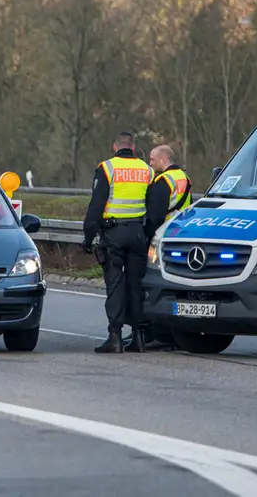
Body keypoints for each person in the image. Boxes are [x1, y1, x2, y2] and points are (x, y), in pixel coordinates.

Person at [82, 131, 154, 353]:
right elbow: (152, 206)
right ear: (133, 148)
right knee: (136, 285)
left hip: (114, 233)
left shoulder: (107, 168)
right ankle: (139, 338)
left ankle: (115, 337)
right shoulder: (147, 170)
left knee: (115, 284)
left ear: (115, 147)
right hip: (139, 234)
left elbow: (96, 206)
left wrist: (88, 237)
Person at [123, 144, 190, 352]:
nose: (150, 163)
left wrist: (146, 238)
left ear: (163, 160)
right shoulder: (184, 178)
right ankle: (173, 335)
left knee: (151, 287)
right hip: (181, 236)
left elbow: (155, 216)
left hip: (162, 239)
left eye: (152, 160)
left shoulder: (162, 181)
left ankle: (153, 334)